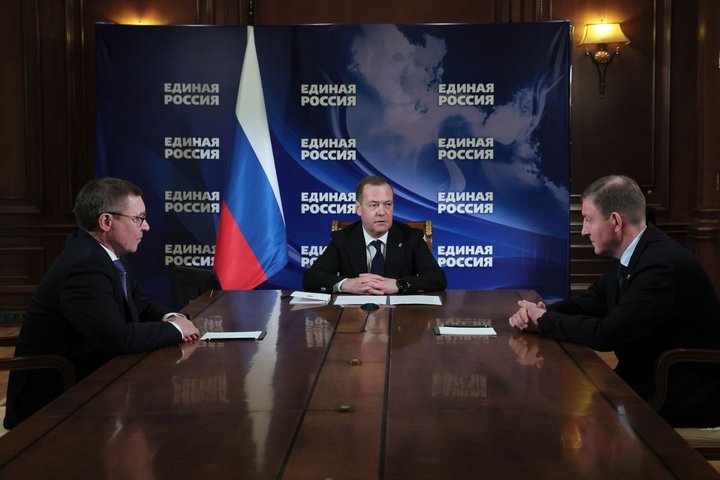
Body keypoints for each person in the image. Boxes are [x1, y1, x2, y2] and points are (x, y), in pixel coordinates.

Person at [509, 174, 720, 427]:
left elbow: (606, 334)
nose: (583, 230)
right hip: (642, 379)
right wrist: (542, 313)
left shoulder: (660, 266)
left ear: (616, 221)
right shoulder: (636, 254)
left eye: (588, 219)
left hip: (677, 392)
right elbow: (589, 304)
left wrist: (545, 320)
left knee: (555, 412)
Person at [3, 177, 199, 429]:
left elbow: (139, 302)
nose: (146, 226)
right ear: (106, 221)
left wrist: (173, 317)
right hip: (57, 400)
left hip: (92, 378)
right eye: (138, 218)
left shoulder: (105, 255)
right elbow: (118, 339)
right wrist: (176, 329)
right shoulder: (83, 267)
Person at [303, 175, 446, 295]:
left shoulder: (411, 237)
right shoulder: (343, 238)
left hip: (401, 318)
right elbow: (312, 278)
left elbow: (437, 278)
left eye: (388, 204)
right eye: (373, 205)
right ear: (359, 208)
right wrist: (346, 284)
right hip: (354, 316)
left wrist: (399, 284)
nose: (382, 212)